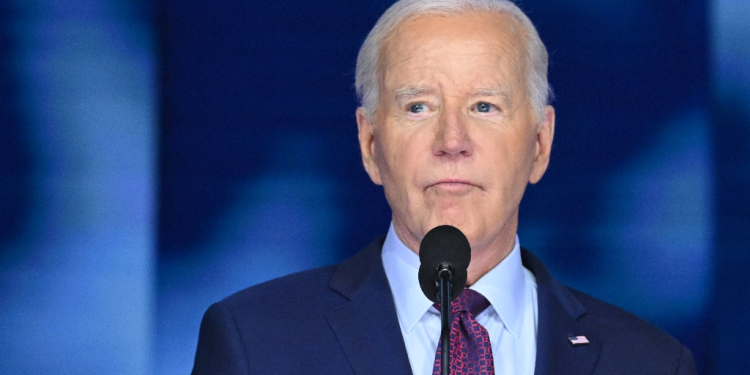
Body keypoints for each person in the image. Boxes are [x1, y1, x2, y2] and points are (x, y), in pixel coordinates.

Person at [192, 0, 697, 374]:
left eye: (484, 106)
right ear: (370, 145)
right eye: (419, 107)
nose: (452, 141)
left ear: (540, 144)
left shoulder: (650, 361)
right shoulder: (254, 343)